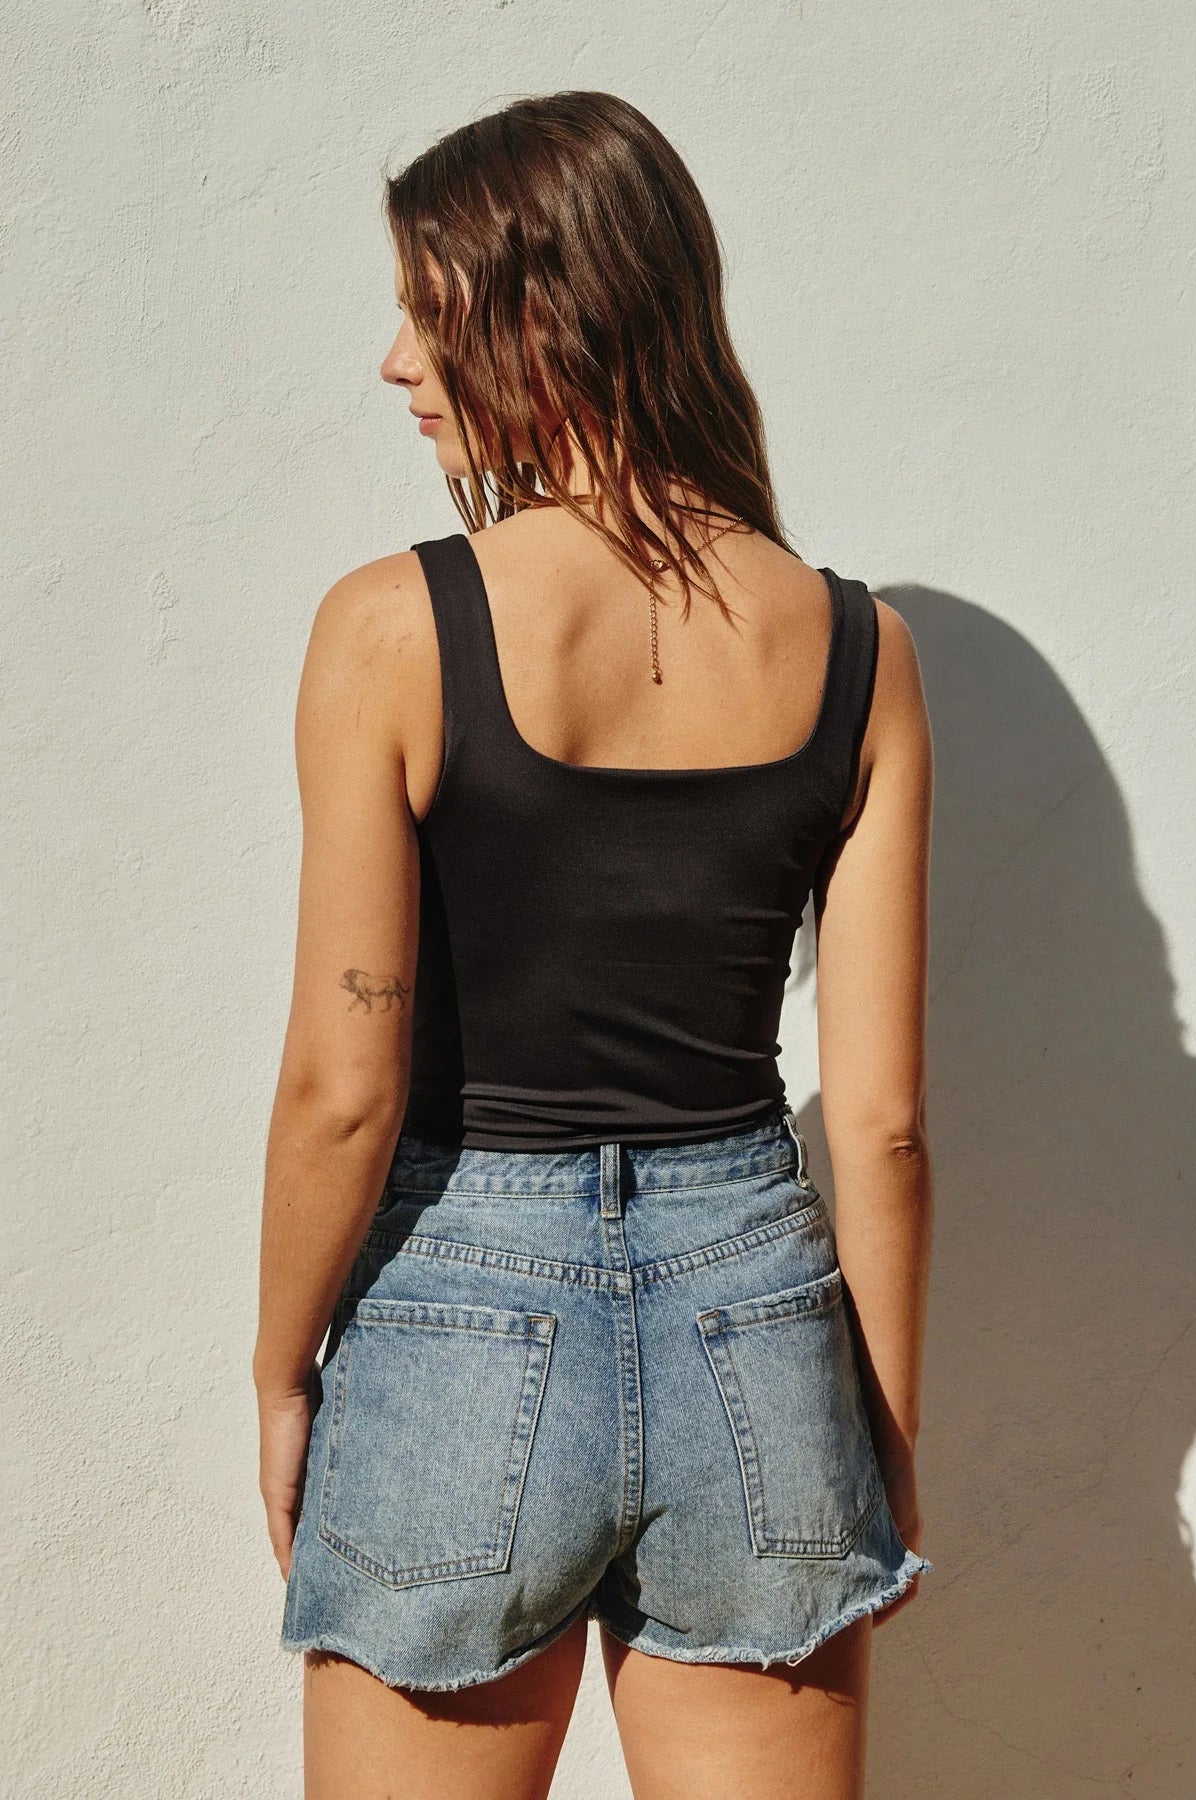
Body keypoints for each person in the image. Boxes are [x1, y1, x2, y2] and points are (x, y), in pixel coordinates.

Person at [254, 89, 935, 1800]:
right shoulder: (858, 652)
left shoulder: (395, 627)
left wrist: (278, 1373)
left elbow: (346, 1086)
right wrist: (886, 1444)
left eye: (429, 306)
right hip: (760, 1328)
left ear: (536, 314)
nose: (398, 361)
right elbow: (880, 1127)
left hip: (450, 1315)